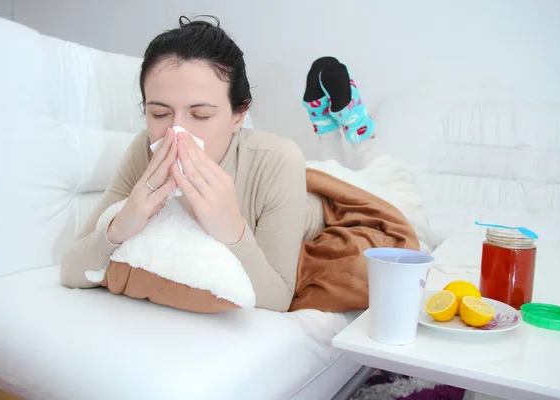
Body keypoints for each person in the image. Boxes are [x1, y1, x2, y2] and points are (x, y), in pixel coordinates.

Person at [60, 16, 379, 312]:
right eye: (159, 113)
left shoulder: (278, 159)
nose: (176, 132)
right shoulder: (143, 150)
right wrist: (122, 224)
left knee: (376, 177)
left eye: (200, 115)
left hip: (312, 200)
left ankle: (353, 131)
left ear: (239, 115)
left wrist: (232, 231)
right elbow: (71, 270)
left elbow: (277, 300)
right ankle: (329, 127)